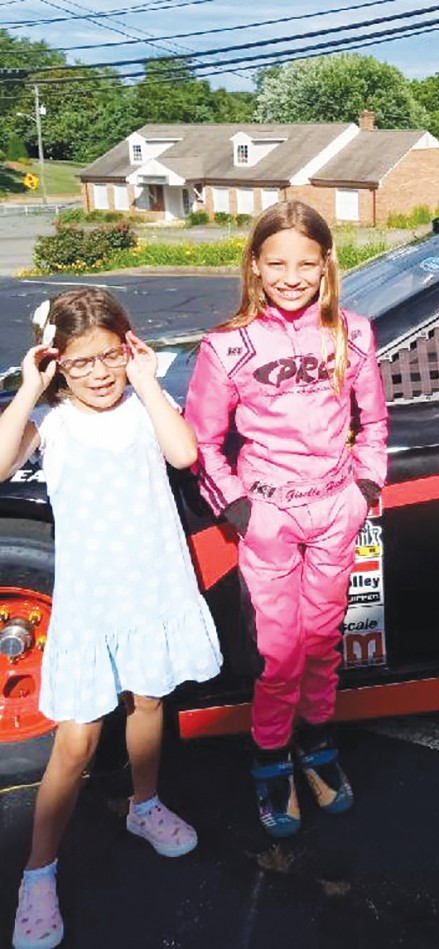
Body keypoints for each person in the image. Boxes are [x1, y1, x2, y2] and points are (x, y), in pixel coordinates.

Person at [1, 288, 222, 949]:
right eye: (79, 363)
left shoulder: (142, 407)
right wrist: (27, 388)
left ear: (130, 349)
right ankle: (37, 872)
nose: (98, 373)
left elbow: (184, 453)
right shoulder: (56, 423)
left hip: (150, 590)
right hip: (92, 604)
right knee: (76, 740)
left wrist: (148, 381)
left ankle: (145, 805)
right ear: (56, 364)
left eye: (109, 356)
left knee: (149, 703)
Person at [184, 200, 388, 838]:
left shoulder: (353, 331)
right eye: (277, 262)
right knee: (278, 655)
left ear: (327, 263)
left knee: (324, 644)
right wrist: (241, 509)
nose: (292, 276)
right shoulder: (224, 346)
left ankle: (317, 747)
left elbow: (375, 423)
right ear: (255, 264)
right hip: (269, 516)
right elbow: (203, 442)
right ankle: (270, 759)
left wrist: (364, 487)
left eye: (306, 262)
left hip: (336, 511)